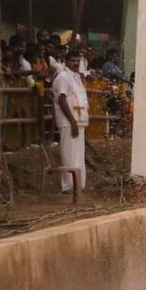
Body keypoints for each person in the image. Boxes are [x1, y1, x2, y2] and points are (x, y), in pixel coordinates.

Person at [52, 50, 89, 192]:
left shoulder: (76, 78)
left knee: (78, 154)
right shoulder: (63, 77)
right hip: (69, 122)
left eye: (78, 61)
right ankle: (68, 186)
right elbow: (62, 99)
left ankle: (78, 184)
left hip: (79, 121)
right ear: (66, 62)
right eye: (73, 61)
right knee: (68, 154)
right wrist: (72, 120)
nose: (76, 63)